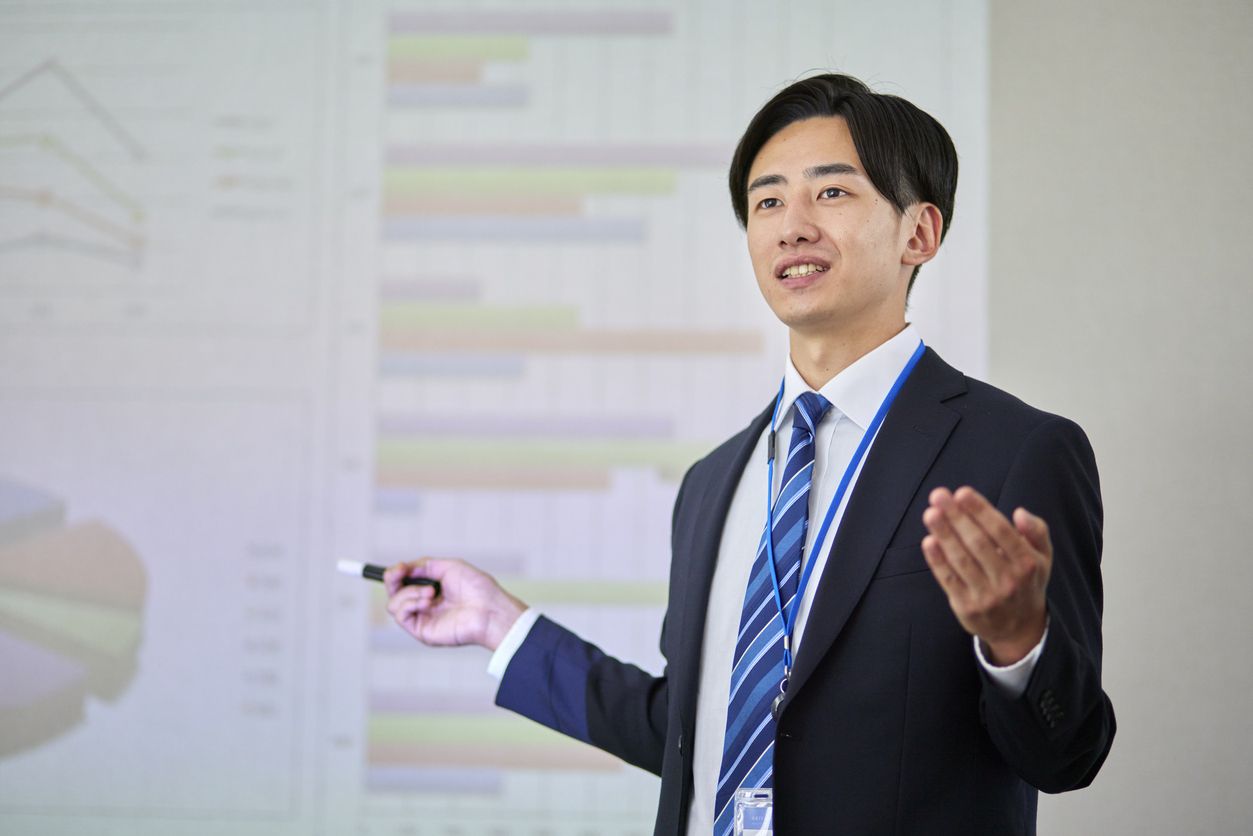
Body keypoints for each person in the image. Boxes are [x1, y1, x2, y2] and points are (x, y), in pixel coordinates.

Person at [384, 73, 1115, 835]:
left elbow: (1067, 756)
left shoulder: (1015, 451)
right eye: (767, 202)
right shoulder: (712, 482)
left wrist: (1017, 641)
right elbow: (689, 731)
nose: (791, 228)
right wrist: (500, 625)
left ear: (918, 234)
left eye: (831, 193)